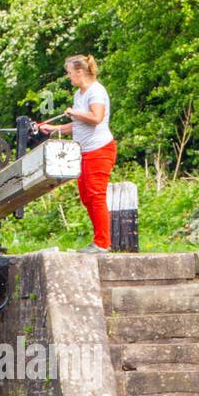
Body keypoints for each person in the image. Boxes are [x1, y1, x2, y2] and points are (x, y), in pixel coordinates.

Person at [37, 54, 116, 252]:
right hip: (85, 151)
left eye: (70, 73)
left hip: (100, 150)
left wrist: (74, 112)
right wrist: (54, 129)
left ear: (80, 72)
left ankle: (102, 243)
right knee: (86, 197)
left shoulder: (96, 92)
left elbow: (96, 118)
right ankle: (99, 240)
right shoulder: (79, 94)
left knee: (96, 195)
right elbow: (78, 124)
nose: (69, 77)